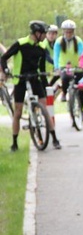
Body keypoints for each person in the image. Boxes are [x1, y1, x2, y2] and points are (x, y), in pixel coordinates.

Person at [0, 20, 61, 150]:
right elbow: (4, 57)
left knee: (44, 108)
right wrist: (6, 70)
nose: (45, 36)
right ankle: (14, 142)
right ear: (37, 33)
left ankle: (54, 138)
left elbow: (42, 68)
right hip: (20, 79)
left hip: (35, 78)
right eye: (44, 33)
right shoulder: (21, 44)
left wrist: (46, 84)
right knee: (18, 112)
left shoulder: (42, 48)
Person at [53, 19, 83, 104]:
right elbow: (56, 55)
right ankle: (64, 93)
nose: (68, 34)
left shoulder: (78, 41)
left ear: (73, 32)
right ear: (63, 31)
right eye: (66, 32)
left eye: (70, 32)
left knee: (80, 87)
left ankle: (82, 109)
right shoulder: (59, 41)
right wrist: (56, 67)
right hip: (64, 66)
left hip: (76, 66)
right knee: (65, 78)